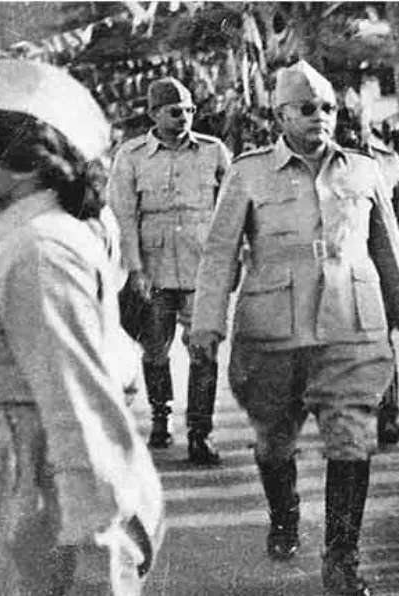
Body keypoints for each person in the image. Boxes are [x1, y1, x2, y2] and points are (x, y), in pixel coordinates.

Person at [0, 59, 163, 595]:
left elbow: (80, 410)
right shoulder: (18, 240)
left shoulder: (39, 250)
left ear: (24, 164)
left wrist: (98, 556)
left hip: (40, 502)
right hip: (16, 501)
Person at [187, 60, 399, 596]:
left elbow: (388, 248)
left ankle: (342, 558)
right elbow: (219, 253)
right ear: (280, 114)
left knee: (351, 440)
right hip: (272, 330)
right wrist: (206, 324)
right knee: (274, 439)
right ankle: (285, 514)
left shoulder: (365, 170)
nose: (319, 117)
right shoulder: (248, 172)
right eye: (306, 108)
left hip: (352, 327)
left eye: (327, 108)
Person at [107, 77, 232, 464]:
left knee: (204, 351)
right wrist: (135, 269)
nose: (184, 117)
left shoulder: (214, 153)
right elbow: (124, 216)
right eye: (175, 111)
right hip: (155, 268)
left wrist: (230, 264)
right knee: (154, 351)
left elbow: (231, 211)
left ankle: (200, 432)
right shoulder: (131, 156)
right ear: (154, 114)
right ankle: (161, 419)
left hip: (202, 267)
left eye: (190, 110)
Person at [337, 88, 399, 447]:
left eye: (351, 121)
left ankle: (387, 416)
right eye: (339, 121)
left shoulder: (387, 161)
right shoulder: (316, 161)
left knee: (380, 343)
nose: (345, 129)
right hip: (333, 267)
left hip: (377, 268)